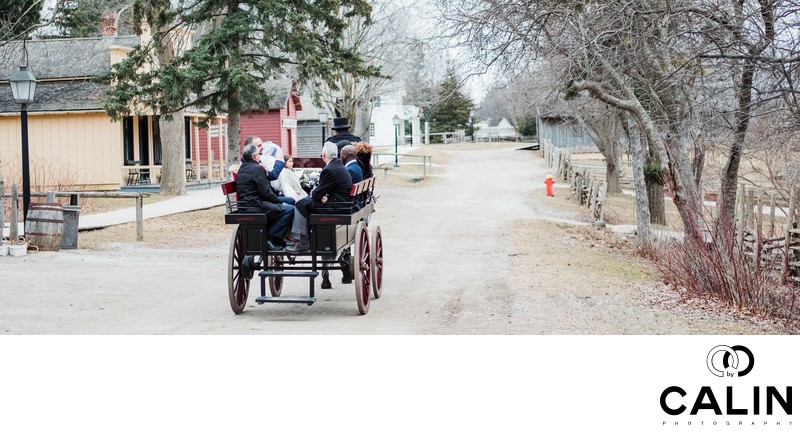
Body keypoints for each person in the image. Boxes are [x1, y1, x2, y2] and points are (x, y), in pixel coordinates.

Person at [286, 142, 353, 253]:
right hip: (342, 203)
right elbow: (326, 190)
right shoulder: (339, 166)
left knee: (300, 204)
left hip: (335, 206)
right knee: (305, 201)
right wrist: (320, 195)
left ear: (323, 155)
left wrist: (316, 194)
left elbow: (317, 195)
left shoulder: (329, 170)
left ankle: (304, 242)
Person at [235, 143, 295, 252]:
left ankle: (279, 236)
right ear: (255, 157)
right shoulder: (257, 169)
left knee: (289, 202)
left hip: (247, 204)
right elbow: (266, 193)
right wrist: (279, 201)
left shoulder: (242, 168)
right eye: (258, 154)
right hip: (257, 205)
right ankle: (271, 238)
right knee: (290, 209)